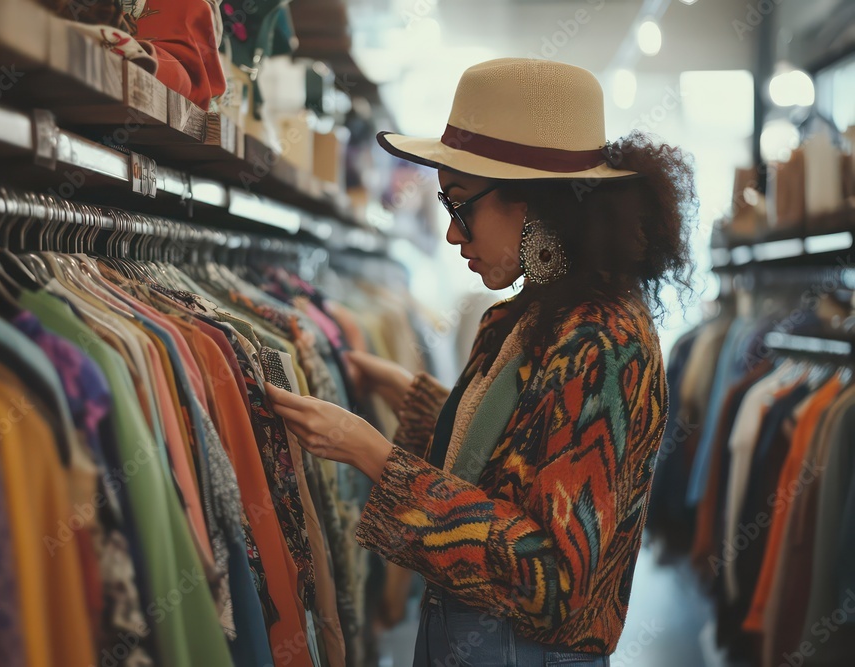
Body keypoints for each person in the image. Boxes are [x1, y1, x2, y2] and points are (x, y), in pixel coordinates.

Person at [265, 58, 695, 666]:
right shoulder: (527, 317)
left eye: (460, 204)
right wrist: (416, 399)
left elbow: (553, 584)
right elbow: (523, 464)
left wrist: (373, 455)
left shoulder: (603, 342)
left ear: (540, 204)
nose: (450, 234)